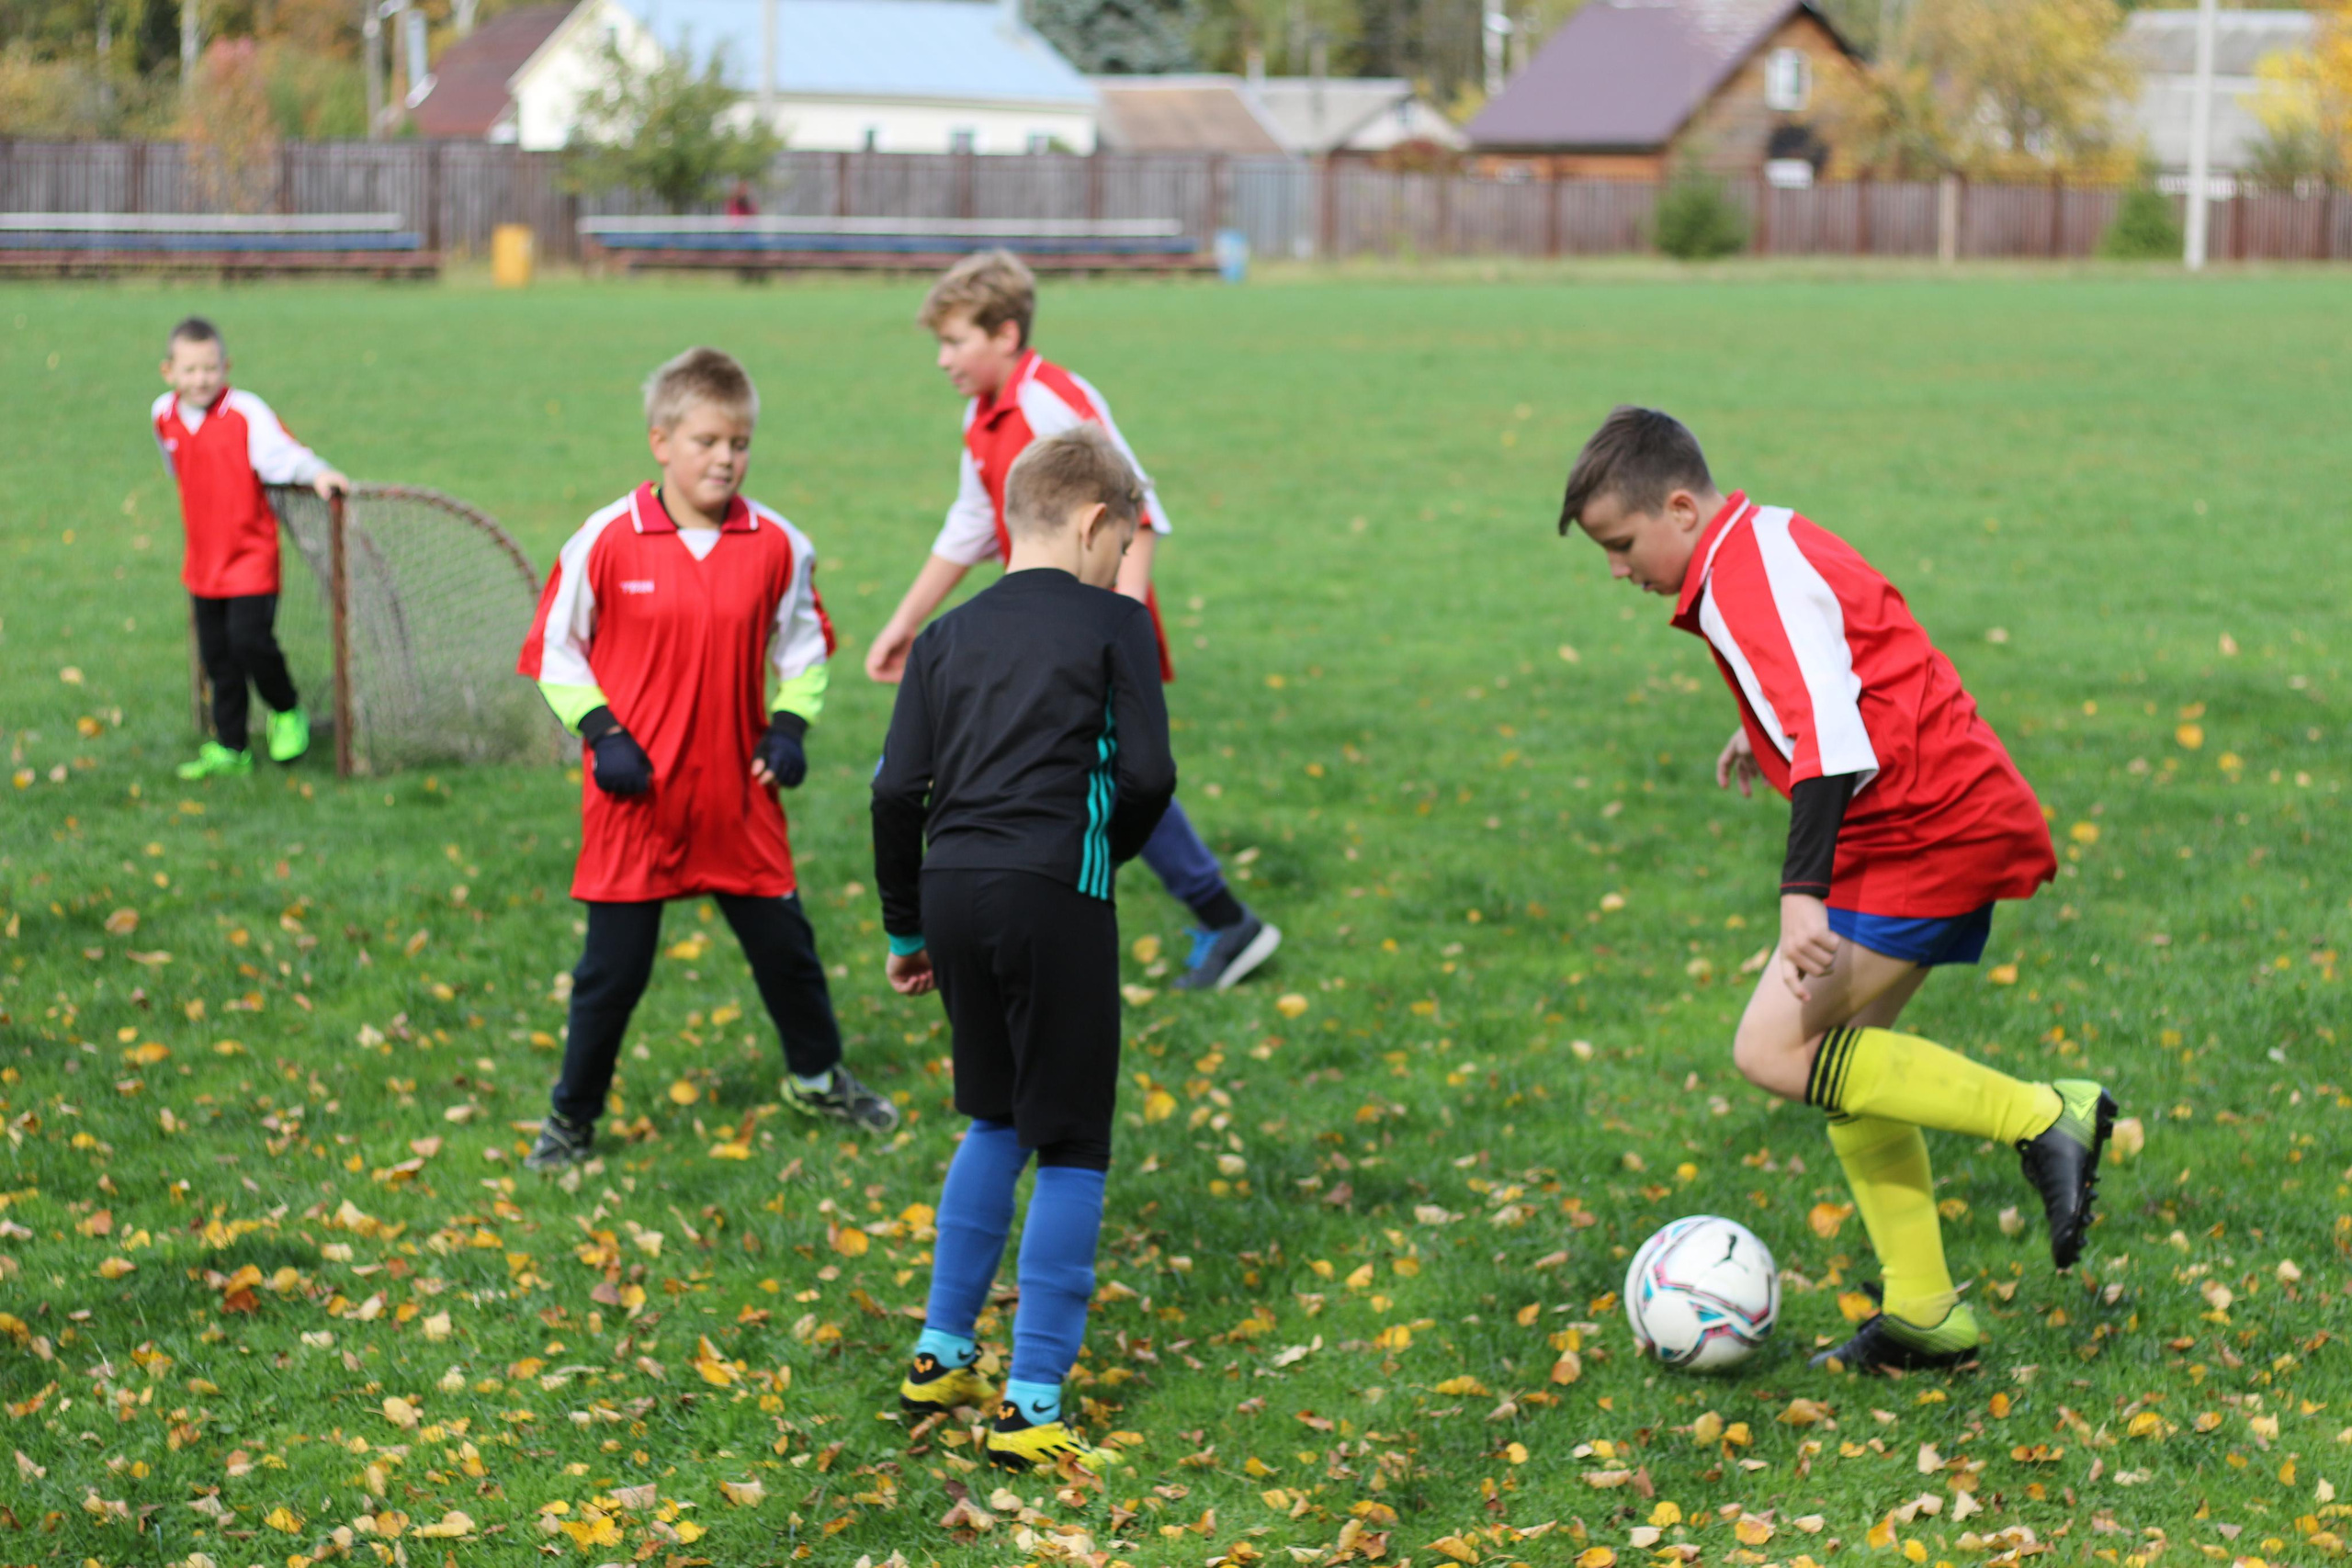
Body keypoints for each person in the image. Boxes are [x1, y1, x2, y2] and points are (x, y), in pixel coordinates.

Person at [1556, 405, 2117, 1375]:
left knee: (1772, 1049)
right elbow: (1833, 674)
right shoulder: (1756, 539)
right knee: (1846, 1059)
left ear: (1679, 508)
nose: (1617, 569)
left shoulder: (1740, 577)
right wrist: (1761, 724)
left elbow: (1829, 730)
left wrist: (1798, 892)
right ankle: (1923, 1313)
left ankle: (2045, 1116)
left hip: (1923, 829)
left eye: (1620, 543)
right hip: (1925, 814)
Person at [872, 426, 1175, 1471]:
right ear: (1097, 525)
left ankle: (940, 1353)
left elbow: (890, 790)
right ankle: (1032, 1401)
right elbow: (1147, 778)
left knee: (992, 1114)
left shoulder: (947, 636)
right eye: (1124, 542)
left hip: (950, 893)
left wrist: (906, 925)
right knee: (1075, 1144)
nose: (1121, 562)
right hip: (1056, 893)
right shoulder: (1112, 624)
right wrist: (1098, 857)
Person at [515, 347, 895, 1172]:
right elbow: (555, 651)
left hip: (737, 795)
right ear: (661, 440)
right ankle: (571, 1119)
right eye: (707, 441)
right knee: (610, 974)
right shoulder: (606, 539)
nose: (725, 457)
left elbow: (805, 649)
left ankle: (816, 1077)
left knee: (786, 952)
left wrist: (790, 727)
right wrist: (604, 733)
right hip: (635, 801)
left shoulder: (779, 544)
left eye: (740, 442)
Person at [865, 248, 1277, 993]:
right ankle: (1219, 915)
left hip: (1081, 626)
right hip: (1032, 624)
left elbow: (1137, 509)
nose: (942, 359)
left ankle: (1213, 915)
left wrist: (1117, 625)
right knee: (1098, 768)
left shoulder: (1053, 401)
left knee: (1103, 768)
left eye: (955, 340)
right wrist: (906, 618)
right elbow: (969, 522)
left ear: (1007, 333)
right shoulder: (981, 413)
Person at [151, 316, 347, 780]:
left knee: (251, 642)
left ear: (225, 366)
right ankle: (231, 746)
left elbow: (284, 455)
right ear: (170, 372)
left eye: (210, 368)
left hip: (251, 558)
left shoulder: (246, 412)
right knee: (218, 657)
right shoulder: (163, 414)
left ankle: (286, 709)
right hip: (203, 562)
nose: (201, 379)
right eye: (190, 370)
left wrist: (318, 473)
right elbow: (175, 466)